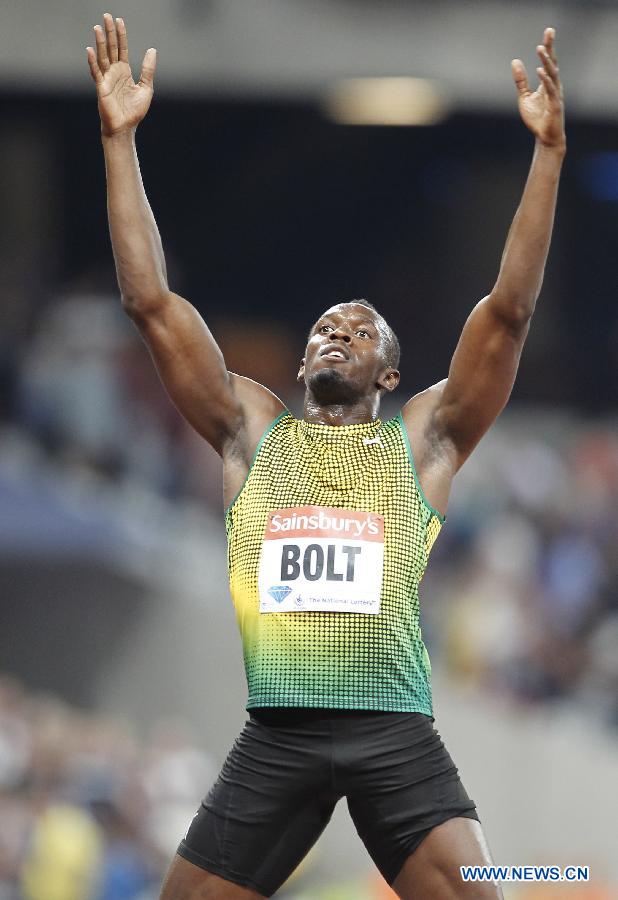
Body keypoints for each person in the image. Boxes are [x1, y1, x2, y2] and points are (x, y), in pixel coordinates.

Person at [87, 15, 565, 899]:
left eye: (356, 329)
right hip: (277, 737)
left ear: (390, 370)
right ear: (303, 366)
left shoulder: (424, 440)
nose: (333, 333)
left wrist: (545, 158)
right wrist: (120, 142)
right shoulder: (249, 431)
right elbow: (150, 300)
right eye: (321, 329)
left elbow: (506, 316)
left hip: (395, 733)